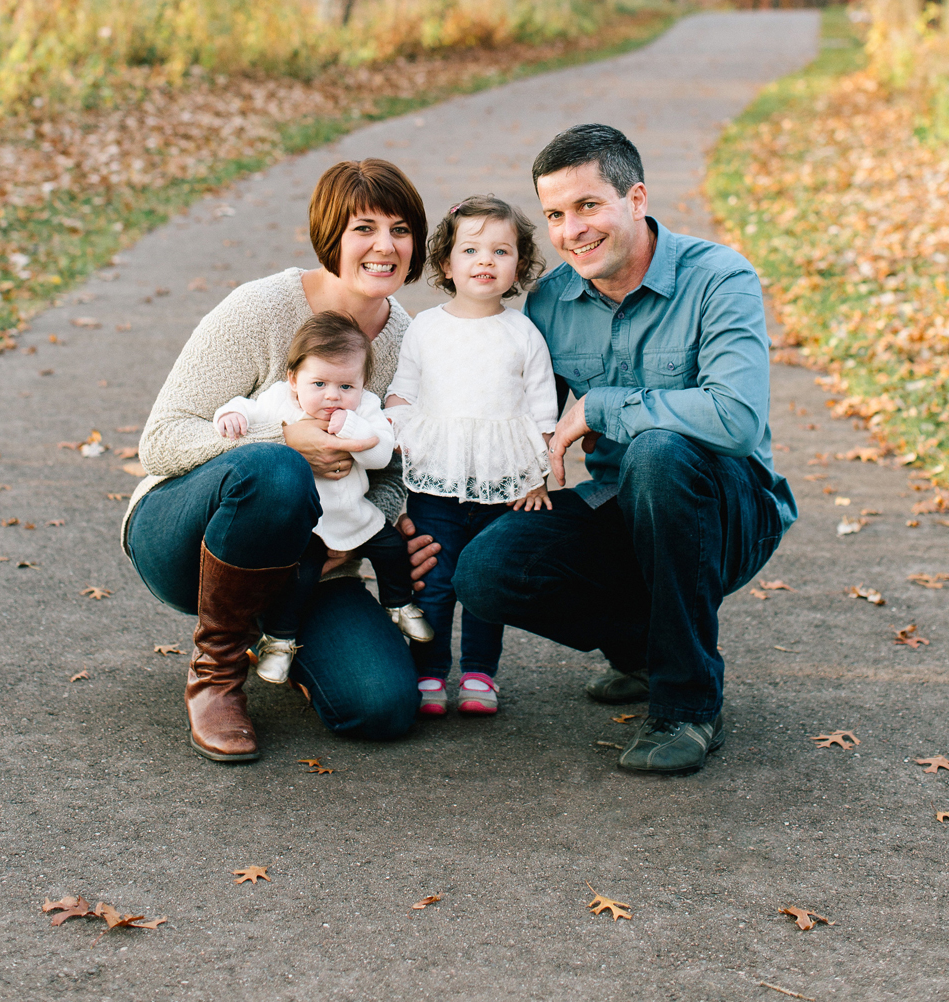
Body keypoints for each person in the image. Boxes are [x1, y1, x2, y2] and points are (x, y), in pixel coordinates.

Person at [453, 124, 797, 774]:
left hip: (728, 512)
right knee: (486, 570)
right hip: (621, 506)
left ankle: (687, 705)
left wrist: (604, 406)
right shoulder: (552, 301)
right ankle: (646, 649)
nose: (571, 230)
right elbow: (517, 421)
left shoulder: (718, 278)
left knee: (659, 452)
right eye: (555, 214)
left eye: (588, 206)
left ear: (636, 198)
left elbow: (737, 420)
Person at [122, 158, 440, 763]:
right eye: (363, 228)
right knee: (277, 469)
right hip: (186, 535)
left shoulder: (410, 342)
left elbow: (399, 468)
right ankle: (215, 676)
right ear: (331, 237)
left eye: (401, 229)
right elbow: (161, 438)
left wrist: (373, 526)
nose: (385, 246)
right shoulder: (261, 310)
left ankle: (280, 637)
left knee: (380, 706)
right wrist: (282, 435)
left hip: (319, 562)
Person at [386, 195, 557, 718]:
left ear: (518, 266)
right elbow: (402, 392)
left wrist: (538, 477)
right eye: (471, 250)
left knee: (486, 585)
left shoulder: (522, 333)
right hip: (435, 481)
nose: (486, 260)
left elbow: (542, 410)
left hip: (503, 485)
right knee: (433, 583)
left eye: (501, 251)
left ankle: (481, 675)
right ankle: (429, 674)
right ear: (447, 264)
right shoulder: (426, 327)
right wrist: (393, 436)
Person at [213, 310, 432, 684]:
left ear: (362, 384)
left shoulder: (364, 409)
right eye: (319, 384)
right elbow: (245, 408)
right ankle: (279, 643)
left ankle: (399, 603)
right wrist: (231, 415)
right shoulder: (280, 401)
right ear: (294, 380)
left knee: (392, 548)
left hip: (355, 513)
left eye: (346, 386)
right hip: (307, 526)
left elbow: (381, 455)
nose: (333, 396)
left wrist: (352, 427)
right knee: (302, 578)